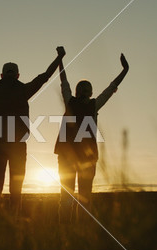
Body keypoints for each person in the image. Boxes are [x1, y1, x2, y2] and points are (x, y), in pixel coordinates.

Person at [0, 34, 65, 214]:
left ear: (2, 75)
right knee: (16, 190)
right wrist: (59, 58)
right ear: (18, 75)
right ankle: (14, 221)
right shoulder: (23, 90)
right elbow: (45, 76)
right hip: (18, 147)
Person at [55, 52, 129, 223]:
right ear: (89, 92)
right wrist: (125, 71)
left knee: (69, 196)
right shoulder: (93, 104)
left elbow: (63, 81)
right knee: (83, 196)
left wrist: (60, 60)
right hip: (83, 157)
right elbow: (110, 89)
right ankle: (79, 231)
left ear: (78, 91)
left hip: (69, 157)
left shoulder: (71, 102)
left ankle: (67, 231)